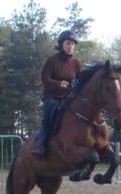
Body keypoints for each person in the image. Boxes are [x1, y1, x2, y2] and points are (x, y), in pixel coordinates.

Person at [32, 30, 83, 159]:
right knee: (47, 118)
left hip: (68, 97)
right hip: (52, 97)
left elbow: (80, 81)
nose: (70, 46)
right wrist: (58, 84)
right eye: (68, 43)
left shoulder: (77, 63)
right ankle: (40, 146)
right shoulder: (52, 61)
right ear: (62, 45)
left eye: (72, 44)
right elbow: (45, 78)